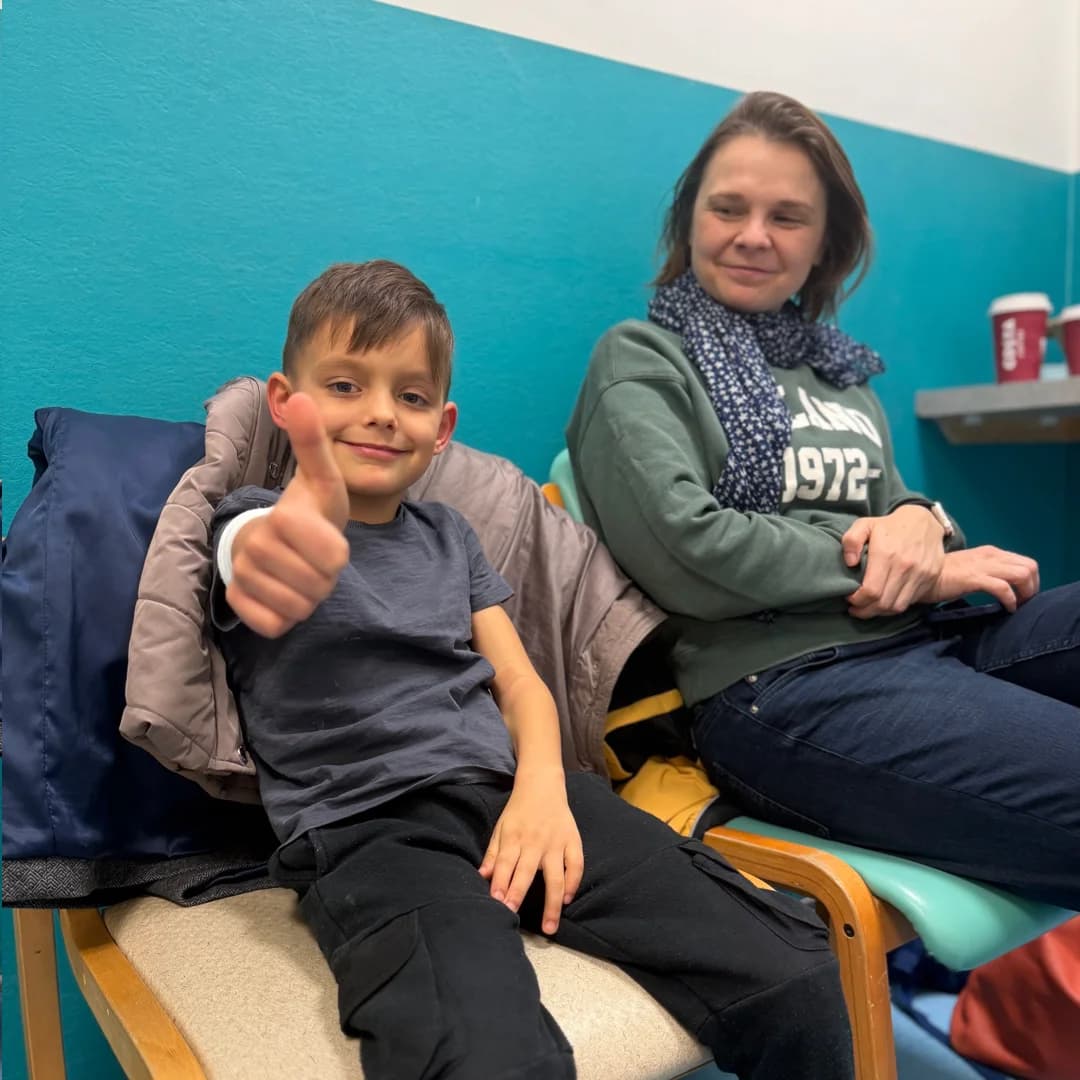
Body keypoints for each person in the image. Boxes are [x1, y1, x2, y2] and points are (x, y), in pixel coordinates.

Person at [209, 260, 855, 1080]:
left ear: (442, 428)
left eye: (409, 397)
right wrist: (279, 537)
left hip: (516, 792)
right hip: (374, 830)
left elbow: (519, 685)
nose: (379, 414)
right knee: (486, 1056)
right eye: (343, 385)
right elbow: (250, 560)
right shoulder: (256, 523)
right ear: (284, 403)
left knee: (795, 970)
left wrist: (542, 789)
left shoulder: (451, 538)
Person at [566, 91, 1080, 912]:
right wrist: (919, 566)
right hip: (782, 684)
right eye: (727, 208)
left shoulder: (838, 372)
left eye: (787, 217)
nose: (753, 235)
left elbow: (900, 504)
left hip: (924, 639)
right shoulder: (642, 359)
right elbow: (686, 551)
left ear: (824, 244)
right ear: (689, 221)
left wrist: (922, 521)